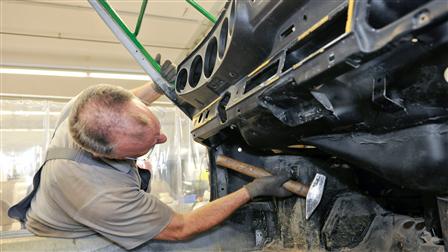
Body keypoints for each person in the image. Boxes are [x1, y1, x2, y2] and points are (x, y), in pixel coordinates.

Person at [8, 55, 292, 250]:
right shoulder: (102, 196)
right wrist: (252, 191)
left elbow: (127, 105)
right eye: (152, 143)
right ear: (110, 155)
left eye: (156, 130)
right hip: (72, 239)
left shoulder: (85, 107)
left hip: (67, 205)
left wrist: (158, 87)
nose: (163, 138)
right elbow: (180, 227)